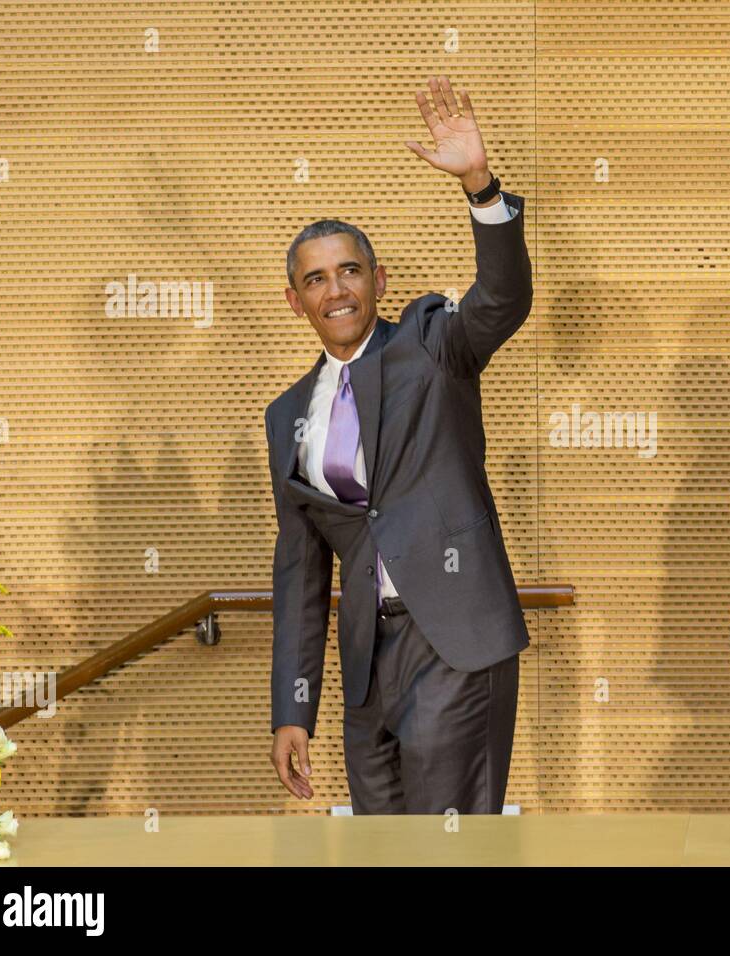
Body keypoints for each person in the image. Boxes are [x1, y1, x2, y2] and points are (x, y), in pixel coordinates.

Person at [264, 76, 532, 814]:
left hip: (455, 643)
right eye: (315, 279)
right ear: (297, 301)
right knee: (380, 852)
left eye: (349, 270)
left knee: (448, 856)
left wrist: (480, 187)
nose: (336, 289)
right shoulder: (286, 414)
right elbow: (300, 573)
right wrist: (293, 707)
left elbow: (502, 298)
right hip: (366, 668)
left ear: (377, 280)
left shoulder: (429, 343)